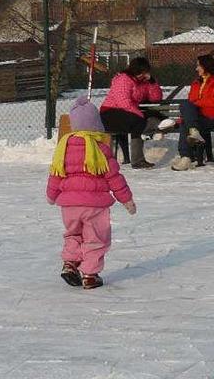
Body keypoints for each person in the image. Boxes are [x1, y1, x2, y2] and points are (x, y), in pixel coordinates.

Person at [47, 96, 137, 289]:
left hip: (69, 206)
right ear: (96, 125)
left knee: (73, 234)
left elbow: (56, 174)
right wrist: (126, 199)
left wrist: (51, 194)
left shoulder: (64, 148)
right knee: (95, 238)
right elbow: (114, 178)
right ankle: (89, 273)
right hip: (95, 207)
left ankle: (70, 264)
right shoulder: (101, 149)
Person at [100, 57, 168, 169]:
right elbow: (123, 102)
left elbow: (156, 98)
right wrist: (139, 115)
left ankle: (154, 131)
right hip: (111, 113)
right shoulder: (123, 79)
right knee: (139, 121)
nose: (144, 75)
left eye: (146, 72)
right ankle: (151, 133)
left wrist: (152, 82)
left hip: (130, 113)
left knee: (151, 117)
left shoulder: (144, 82)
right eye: (142, 72)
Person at [170, 54, 214, 171]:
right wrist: (195, 104)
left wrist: (197, 103)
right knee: (186, 108)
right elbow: (192, 102)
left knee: (186, 118)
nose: (196, 69)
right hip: (199, 117)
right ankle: (193, 133)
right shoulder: (196, 83)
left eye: (198, 66)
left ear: (206, 66)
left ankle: (186, 157)